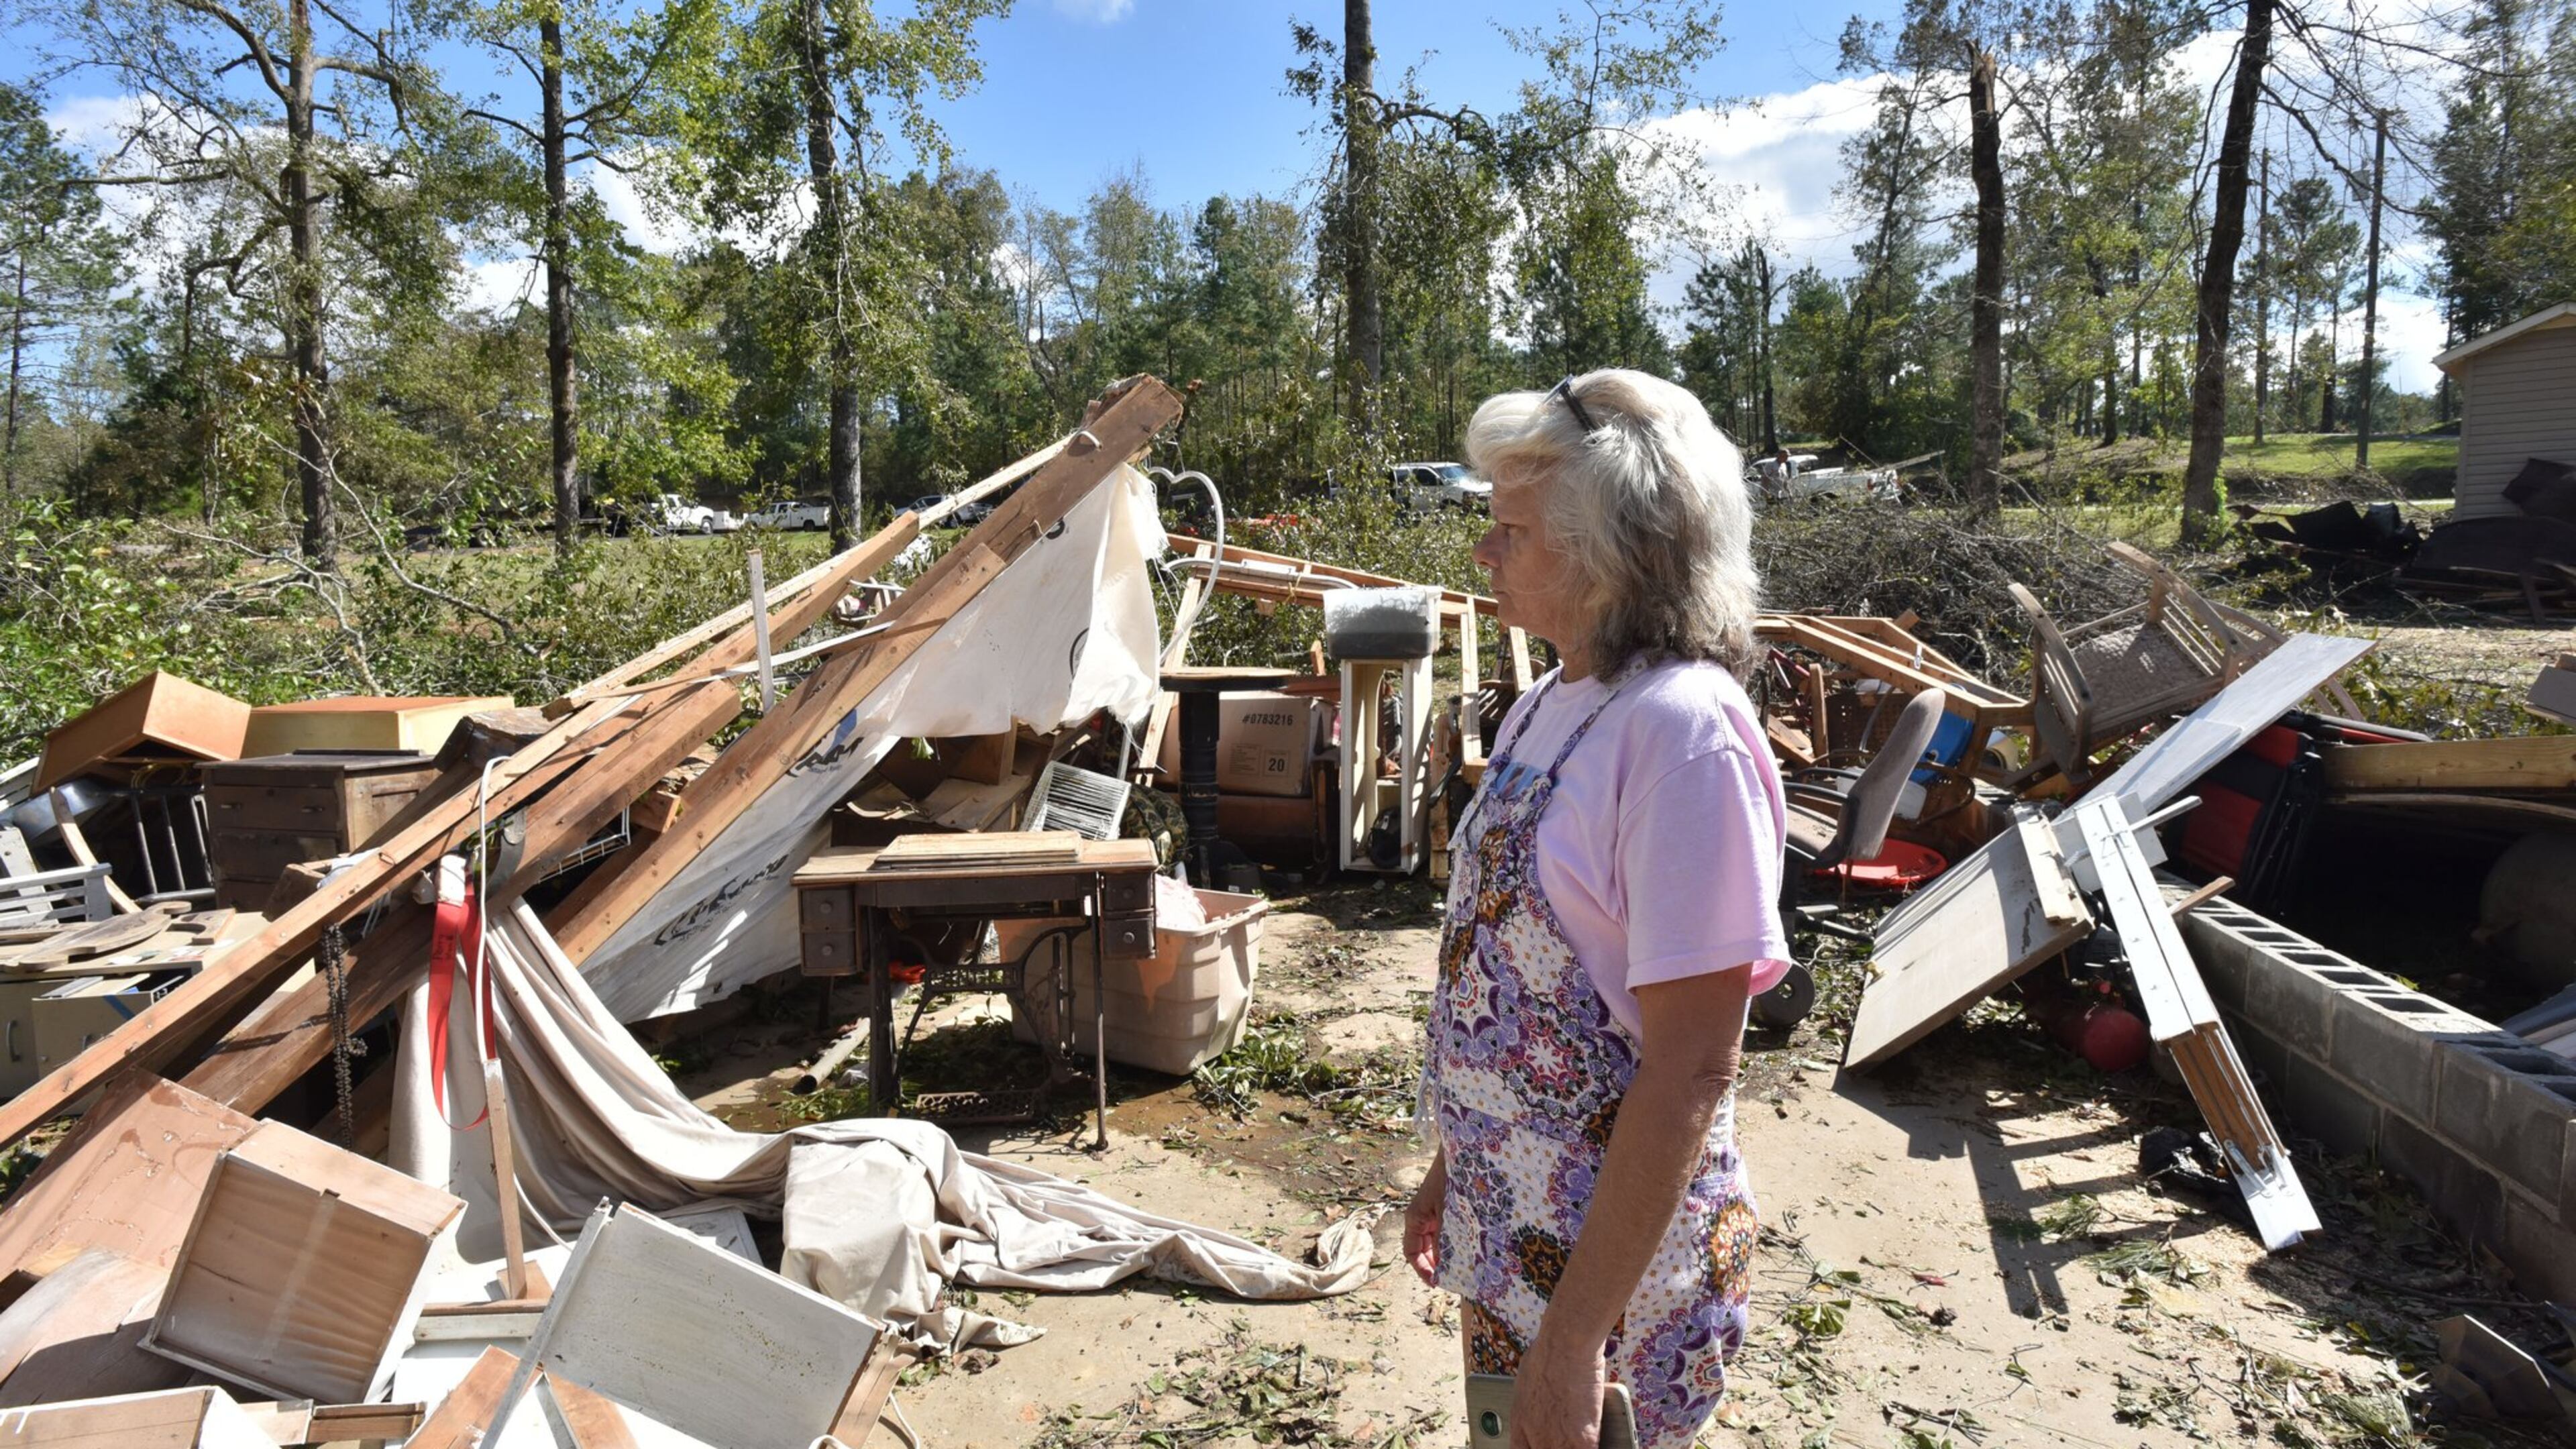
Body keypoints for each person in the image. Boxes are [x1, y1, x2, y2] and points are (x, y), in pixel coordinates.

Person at [1407, 369, 1789, 1449]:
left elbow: (1691, 1070)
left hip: (1614, 1285)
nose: (1484, 554)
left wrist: (1574, 1343)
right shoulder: (1549, 702)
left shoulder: (1683, 737)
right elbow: (1493, 969)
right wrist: (1453, 1167)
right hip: (1513, 1237)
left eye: (1513, 532)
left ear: (1607, 553)